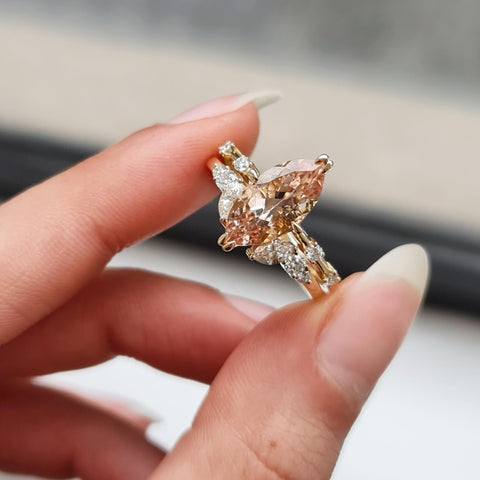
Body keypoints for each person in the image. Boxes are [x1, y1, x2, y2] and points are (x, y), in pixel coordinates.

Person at [0, 92, 429, 479]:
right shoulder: (257, 215)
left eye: (235, 237)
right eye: (233, 237)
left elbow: (245, 186)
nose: (231, 240)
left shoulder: (269, 218)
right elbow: (230, 171)